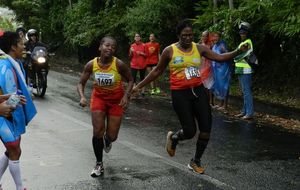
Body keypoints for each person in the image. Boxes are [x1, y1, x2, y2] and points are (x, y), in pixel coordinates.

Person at [132, 19, 249, 174]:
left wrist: (237, 51)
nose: (188, 38)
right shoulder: (170, 50)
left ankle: (195, 161)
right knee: (190, 132)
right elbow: (157, 71)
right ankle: (174, 138)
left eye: (190, 35)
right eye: (184, 35)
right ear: (178, 35)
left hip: (198, 91)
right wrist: (139, 86)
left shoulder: (199, 48)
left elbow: (219, 57)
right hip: (180, 94)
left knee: (206, 128)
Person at [77, 36, 134, 177]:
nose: (110, 48)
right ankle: (99, 164)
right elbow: (80, 83)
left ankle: (108, 140)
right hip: (99, 99)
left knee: (112, 136)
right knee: (97, 132)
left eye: (113, 47)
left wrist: (126, 96)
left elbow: (131, 79)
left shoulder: (119, 64)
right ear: (100, 47)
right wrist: (83, 97)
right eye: (107, 45)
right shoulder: (91, 64)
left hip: (116, 101)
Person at [0, 31, 37, 190]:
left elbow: (12, 91)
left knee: (12, 150)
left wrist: (21, 97)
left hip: (10, 114)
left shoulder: (15, 63)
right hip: (3, 116)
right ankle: (20, 187)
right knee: (14, 148)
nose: (24, 47)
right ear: (13, 46)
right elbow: (3, 93)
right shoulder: (4, 65)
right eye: (22, 44)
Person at [233, 21, 254, 120]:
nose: (242, 34)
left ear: (247, 33)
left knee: (246, 92)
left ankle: (249, 113)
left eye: (244, 33)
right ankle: (244, 111)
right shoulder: (242, 43)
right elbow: (237, 55)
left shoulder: (247, 43)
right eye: (241, 33)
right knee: (244, 91)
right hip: (240, 69)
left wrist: (234, 57)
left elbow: (239, 55)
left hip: (246, 70)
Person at [211, 32, 232, 110]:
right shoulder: (214, 45)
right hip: (217, 69)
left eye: (217, 36)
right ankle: (221, 104)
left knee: (225, 86)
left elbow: (228, 56)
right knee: (219, 86)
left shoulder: (222, 45)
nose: (215, 38)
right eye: (214, 36)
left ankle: (225, 105)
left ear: (220, 37)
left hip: (223, 69)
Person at [199, 31, 214, 105]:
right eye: (203, 36)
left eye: (205, 36)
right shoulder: (199, 45)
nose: (204, 37)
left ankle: (211, 101)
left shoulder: (210, 46)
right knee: (203, 84)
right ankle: (205, 100)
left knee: (210, 84)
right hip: (201, 66)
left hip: (209, 66)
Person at [129, 33, 147, 98]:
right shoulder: (132, 46)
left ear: (140, 38)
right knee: (133, 79)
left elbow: (147, 55)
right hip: (134, 64)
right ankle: (134, 91)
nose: (137, 37)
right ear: (134, 38)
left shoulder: (144, 45)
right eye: (136, 36)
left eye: (138, 36)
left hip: (142, 64)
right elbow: (130, 56)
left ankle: (143, 91)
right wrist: (131, 51)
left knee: (142, 78)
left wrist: (141, 53)